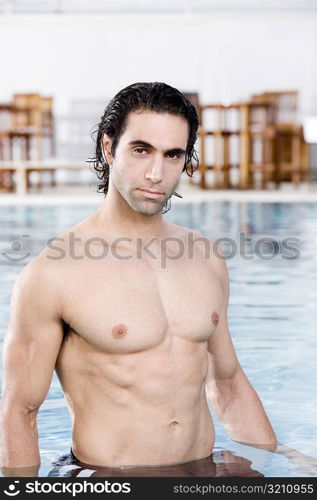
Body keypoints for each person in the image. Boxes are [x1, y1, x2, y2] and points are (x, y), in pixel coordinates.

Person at [0, 81, 286, 477]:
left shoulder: (205, 257)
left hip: (202, 473)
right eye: (141, 150)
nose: (156, 172)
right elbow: (20, 410)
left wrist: (277, 468)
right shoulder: (51, 274)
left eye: (173, 155)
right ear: (108, 148)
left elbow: (228, 380)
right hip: (111, 480)